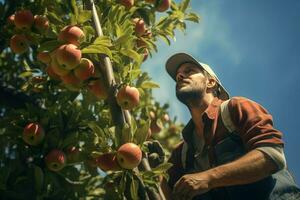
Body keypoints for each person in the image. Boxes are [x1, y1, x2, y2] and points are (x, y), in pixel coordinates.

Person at [160, 53, 300, 200]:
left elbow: (272, 156)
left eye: (189, 71)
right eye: (178, 75)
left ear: (211, 82)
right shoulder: (182, 153)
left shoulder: (235, 108)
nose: (180, 76)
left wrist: (208, 178)